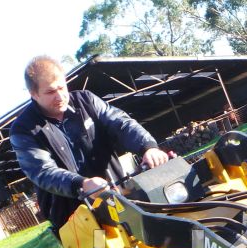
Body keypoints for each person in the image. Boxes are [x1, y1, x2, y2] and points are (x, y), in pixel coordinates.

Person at [9, 56, 169, 235]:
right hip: (74, 219)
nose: (60, 96)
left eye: (62, 87)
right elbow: (42, 171)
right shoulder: (23, 129)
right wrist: (81, 184)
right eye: (50, 92)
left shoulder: (87, 101)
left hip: (119, 197)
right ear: (34, 94)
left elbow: (121, 124)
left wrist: (147, 146)